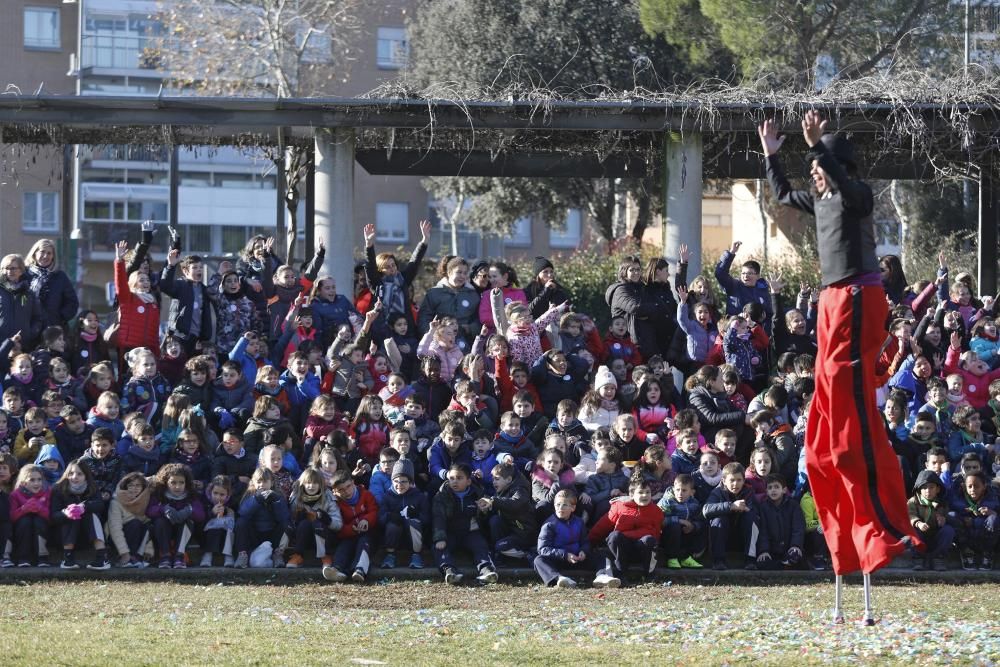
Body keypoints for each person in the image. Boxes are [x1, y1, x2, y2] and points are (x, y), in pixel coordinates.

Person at [761, 110, 917, 576]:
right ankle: (831, 445)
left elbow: (846, 189)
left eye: (820, 167)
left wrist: (817, 148)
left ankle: (864, 471)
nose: (814, 173)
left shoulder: (857, 196)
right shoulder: (821, 197)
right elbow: (785, 194)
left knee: (843, 382)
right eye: (814, 169)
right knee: (824, 382)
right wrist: (772, 155)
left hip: (857, 293)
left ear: (838, 165)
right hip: (832, 296)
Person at [588, 475, 664, 587]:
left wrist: (632, 535)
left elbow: (655, 534)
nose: (645, 495)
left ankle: (649, 574)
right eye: (641, 492)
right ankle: (621, 573)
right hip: (621, 549)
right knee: (615, 536)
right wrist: (588, 542)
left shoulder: (656, 511)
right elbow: (602, 526)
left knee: (649, 539)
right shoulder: (619, 507)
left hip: (642, 548)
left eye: (647, 492)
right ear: (632, 494)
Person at [431, 463, 498, 585]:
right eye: (451, 478)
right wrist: (440, 538)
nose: (454, 482)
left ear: (468, 481)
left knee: (481, 546)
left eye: (459, 478)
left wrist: (483, 511)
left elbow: (484, 518)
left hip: (471, 532)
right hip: (450, 532)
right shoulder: (442, 495)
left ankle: (487, 571)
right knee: (440, 548)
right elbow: (438, 517)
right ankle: (449, 572)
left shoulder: (478, 493)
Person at [363, 220, 430, 338]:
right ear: (380, 270)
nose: (392, 269)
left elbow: (414, 262)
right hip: (382, 329)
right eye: (387, 267)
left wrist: (424, 241)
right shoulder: (377, 283)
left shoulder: (403, 279)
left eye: (393, 265)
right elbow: (370, 266)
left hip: (404, 329)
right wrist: (369, 244)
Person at [50, 460, 110, 570]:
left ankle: (102, 557)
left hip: (88, 536)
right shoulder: (58, 489)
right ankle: (67, 558)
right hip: (64, 536)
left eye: (79, 474)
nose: (75, 477)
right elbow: (54, 516)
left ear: (86, 476)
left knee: (90, 514)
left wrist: (84, 507)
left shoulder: (92, 488)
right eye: (71, 473)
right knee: (73, 514)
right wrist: (66, 513)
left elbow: (100, 505)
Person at [147, 463, 205, 569]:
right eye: (173, 482)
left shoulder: (191, 495)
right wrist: (163, 509)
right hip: (164, 531)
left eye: (181, 483)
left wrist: (189, 510)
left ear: (186, 483)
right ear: (165, 482)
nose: (177, 486)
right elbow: (149, 511)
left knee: (188, 522)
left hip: (183, 531)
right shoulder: (159, 494)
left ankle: (180, 556)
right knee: (159, 521)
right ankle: (165, 556)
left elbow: (201, 515)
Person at [324, 469, 378, 583]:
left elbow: (374, 511)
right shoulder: (336, 504)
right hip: (349, 535)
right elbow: (339, 526)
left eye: (348, 486)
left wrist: (366, 520)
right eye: (341, 490)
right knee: (344, 547)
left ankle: (360, 570)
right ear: (334, 492)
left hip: (368, 533)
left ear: (353, 483)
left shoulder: (366, 495)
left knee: (364, 544)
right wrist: (351, 529)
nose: (346, 492)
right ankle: (337, 569)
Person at [703, 462, 757, 570]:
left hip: (741, 534)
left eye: (739, 480)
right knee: (719, 519)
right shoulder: (717, 492)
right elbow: (706, 510)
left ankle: (750, 559)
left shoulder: (749, 492)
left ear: (744, 481)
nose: (735, 484)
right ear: (724, 481)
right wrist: (731, 506)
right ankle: (718, 560)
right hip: (722, 534)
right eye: (732, 480)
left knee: (751, 519)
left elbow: (753, 511)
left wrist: (747, 510)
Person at [533, 489, 591, 588]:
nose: (560, 508)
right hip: (558, 560)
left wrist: (583, 551)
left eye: (564, 505)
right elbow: (543, 549)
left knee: (601, 557)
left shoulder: (579, 522)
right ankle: (559, 579)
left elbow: (585, 542)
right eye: (557, 505)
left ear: (573, 508)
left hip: (577, 559)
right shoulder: (549, 524)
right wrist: (565, 555)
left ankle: (603, 576)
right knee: (538, 560)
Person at [377, 458, 429, 569]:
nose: (399, 485)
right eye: (396, 481)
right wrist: (390, 516)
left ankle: (416, 555)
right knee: (392, 525)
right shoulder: (387, 496)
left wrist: (416, 515)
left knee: (414, 522)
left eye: (404, 481)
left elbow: (427, 518)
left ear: (411, 482)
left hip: (413, 538)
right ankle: (390, 555)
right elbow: (380, 518)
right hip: (394, 538)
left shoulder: (419, 497)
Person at [754, 474, 805, 570]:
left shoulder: (793, 506)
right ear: (766, 491)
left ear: (784, 490)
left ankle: (786, 563)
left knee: (796, 558)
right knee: (762, 563)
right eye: (770, 488)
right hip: (772, 550)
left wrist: (796, 546)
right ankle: (783, 565)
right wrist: (764, 550)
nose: (773, 490)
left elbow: (798, 528)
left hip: (789, 548)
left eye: (777, 487)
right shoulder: (763, 508)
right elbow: (763, 532)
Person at [25, 239, 78, 331]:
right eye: (42, 252)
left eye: (49, 253)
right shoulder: (24, 275)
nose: (45, 256)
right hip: (28, 329)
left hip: (53, 330)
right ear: (35, 253)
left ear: (53, 257)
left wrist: (59, 318)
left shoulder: (60, 276)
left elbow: (72, 302)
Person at [906, 469, 953, 571]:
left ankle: (938, 558)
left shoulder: (942, 503)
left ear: (938, 489)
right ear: (918, 489)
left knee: (948, 531)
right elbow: (910, 515)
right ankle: (918, 558)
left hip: (935, 535)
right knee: (913, 532)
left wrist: (943, 519)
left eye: (931, 487)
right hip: (920, 534)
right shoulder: (913, 502)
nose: (928, 491)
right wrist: (918, 523)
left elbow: (947, 515)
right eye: (924, 488)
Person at [658, 473, 705, 569]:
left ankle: (686, 558)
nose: (680, 493)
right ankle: (672, 558)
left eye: (684, 490)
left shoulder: (694, 503)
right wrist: (680, 521)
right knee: (675, 526)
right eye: (677, 490)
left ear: (692, 492)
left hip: (685, 534)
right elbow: (660, 520)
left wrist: (693, 526)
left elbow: (699, 520)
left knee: (695, 527)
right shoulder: (667, 501)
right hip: (668, 534)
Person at [107, 472, 152, 568]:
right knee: (134, 523)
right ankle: (127, 557)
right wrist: (124, 553)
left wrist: (148, 551)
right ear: (125, 486)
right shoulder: (116, 501)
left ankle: (139, 556)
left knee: (150, 524)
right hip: (117, 540)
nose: (134, 488)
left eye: (138, 485)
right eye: (130, 485)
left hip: (139, 538)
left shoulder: (147, 499)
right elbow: (115, 529)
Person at [9, 464, 50, 566]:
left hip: (43, 526)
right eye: (32, 480)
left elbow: (51, 516)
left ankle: (42, 557)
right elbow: (11, 517)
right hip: (22, 528)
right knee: (25, 521)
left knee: (38, 521)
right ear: (23, 482)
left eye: (39, 479)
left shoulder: (47, 492)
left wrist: (39, 508)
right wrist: (24, 509)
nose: (37, 483)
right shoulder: (15, 494)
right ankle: (23, 557)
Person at [0, 254, 42, 348]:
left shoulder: (29, 293)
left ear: (21, 270)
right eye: (6, 268)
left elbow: (37, 318)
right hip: (1, 345)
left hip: (23, 345)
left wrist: (30, 333)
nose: (9, 271)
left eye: (13, 268)